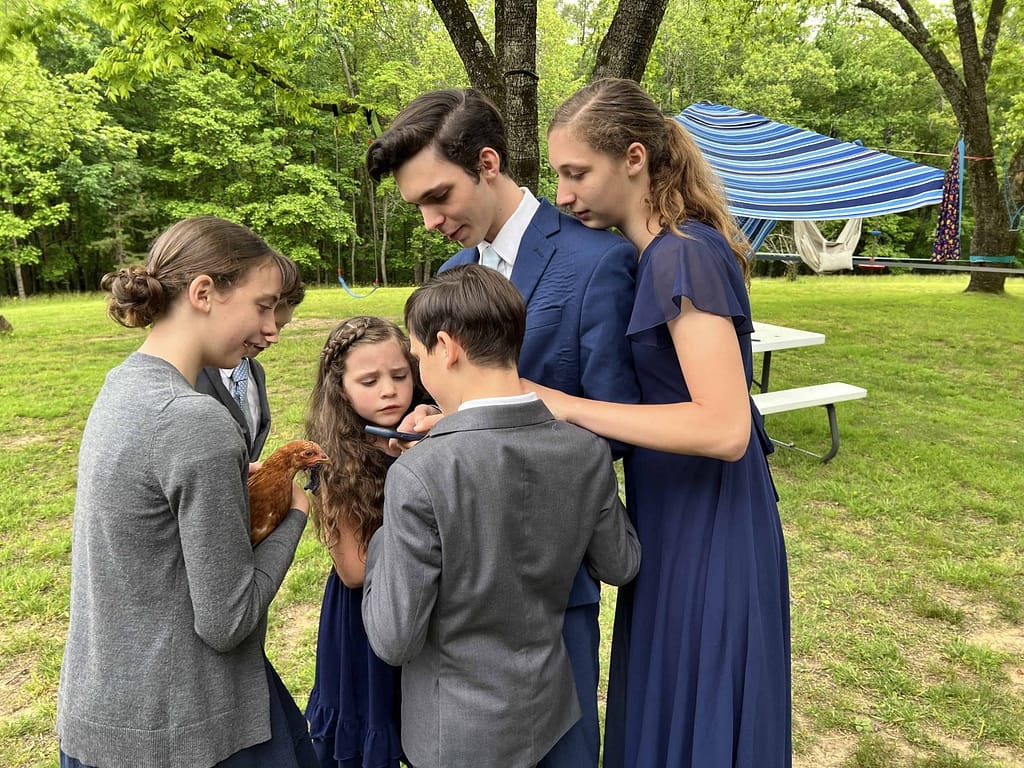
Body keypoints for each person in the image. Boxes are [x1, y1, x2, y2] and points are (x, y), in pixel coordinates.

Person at [365, 88, 640, 768]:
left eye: (438, 197)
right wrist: (444, 420)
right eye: (417, 208)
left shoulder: (598, 262)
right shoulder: (455, 274)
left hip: (550, 594)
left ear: (488, 163)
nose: (429, 221)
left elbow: (620, 425)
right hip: (447, 605)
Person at [540, 77, 792, 768]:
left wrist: (561, 404)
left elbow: (723, 426)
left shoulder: (681, 254)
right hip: (675, 515)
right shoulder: (663, 253)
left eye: (575, 173)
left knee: (698, 708)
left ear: (633, 158)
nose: (563, 194)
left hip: (709, 522)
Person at [56, 216, 318, 768]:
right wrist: (296, 513)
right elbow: (227, 620)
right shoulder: (192, 420)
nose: (271, 327)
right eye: (263, 305)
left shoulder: (123, 384)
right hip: (184, 729)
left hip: (107, 712)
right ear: (204, 293)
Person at [303, 316, 425, 768]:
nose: (389, 390)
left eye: (400, 375)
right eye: (369, 381)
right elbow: (354, 570)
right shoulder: (334, 460)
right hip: (365, 620)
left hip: (422, 610)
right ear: (341, 390)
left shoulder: (427, 432)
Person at [196, 256, 306, 461]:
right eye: (265, 317)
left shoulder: (255, 372)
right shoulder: (188, 379)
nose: (274, 335)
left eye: (281, 325)